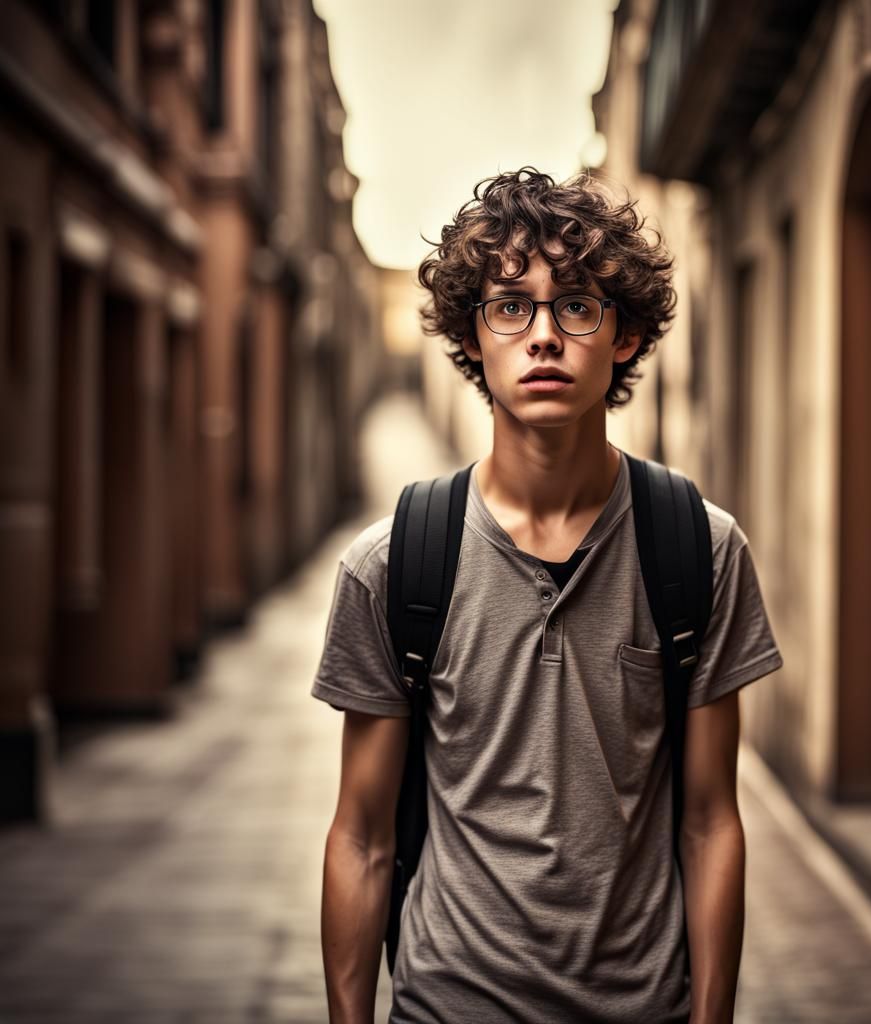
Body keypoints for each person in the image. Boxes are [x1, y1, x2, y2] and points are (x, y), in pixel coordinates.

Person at [312, 167, 783, 1024]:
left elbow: (713, 822)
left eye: (576, 305)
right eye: (509, 306)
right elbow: (362, 835)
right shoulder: (392, 567)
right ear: (473, 337)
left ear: (626, 335)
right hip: (450, 1004)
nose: (542, 336)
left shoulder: (699, 552)